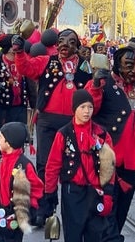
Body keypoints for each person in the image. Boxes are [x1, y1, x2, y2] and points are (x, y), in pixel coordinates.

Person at [12, 28, 92, 226]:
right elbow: (26, 69)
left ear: (77, 46)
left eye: (71, 41)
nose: (65, 44)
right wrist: (20, 52)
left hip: (73, 123)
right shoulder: (47, 61)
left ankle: (72, 207)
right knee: (45, 165)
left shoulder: (84, 66)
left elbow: (91, 88)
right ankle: (44, 206)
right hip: (47, 120)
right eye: (62, 40)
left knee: (73, 166)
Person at [86, 44, 135, 239]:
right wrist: (95, 86)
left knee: (124, 203)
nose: (133, 70)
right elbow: (91, 108)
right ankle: (111, 238)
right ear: (117, 65)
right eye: (128, 65)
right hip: (108, 155)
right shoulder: (105, 82)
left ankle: (113, 234)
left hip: (133, 158)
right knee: (108, 202)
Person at [44, 90, 116, 241]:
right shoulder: (63, 134)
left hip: (96, 192)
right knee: (73, 235)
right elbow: (53, 165)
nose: (86, 111)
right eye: (82, 107)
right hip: (72, 192)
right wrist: (49, 193)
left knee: (95, 236)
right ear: (74, 109)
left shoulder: (102, 135)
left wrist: (108, 193)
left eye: (90, 107)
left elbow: (109, 167)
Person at [0, 122, 43, 242]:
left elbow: (36, 187)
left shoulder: (24, 165)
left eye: (1, 138)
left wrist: (32, 207)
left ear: (9, 143)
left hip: (15, 219)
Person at [0, 35, 29, 160]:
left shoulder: (23, 61)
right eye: (15, 45)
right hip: (2, 107)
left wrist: (35, 103)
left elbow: (31, 81)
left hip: (19, 107)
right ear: (10, 48)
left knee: (18, 137)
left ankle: (17, 163)